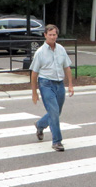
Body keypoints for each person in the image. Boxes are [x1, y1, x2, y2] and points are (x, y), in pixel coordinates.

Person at [30, 24, 74, 152]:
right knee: (54, 112)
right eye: (50, 35)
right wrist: (34, 92)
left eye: (54, 34)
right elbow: (34, 73)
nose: (52, 37)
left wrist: (70, 84)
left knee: (56, 112)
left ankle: (40, 125)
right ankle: (57, 142)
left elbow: (67, 67)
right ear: (45, 35)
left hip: (59, 84)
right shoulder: (40, 52)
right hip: (45, 84)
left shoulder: (61, 49)